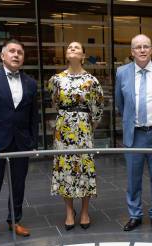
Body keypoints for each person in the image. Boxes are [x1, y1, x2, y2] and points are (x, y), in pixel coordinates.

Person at [0, 39, 39, 245]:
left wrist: (33, 142)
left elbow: (33, 115)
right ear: (2, 56)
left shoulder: (30, 82)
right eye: (11, 51)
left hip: (21, 142)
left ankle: (15, 220)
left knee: (18, 184)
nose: (16, 55)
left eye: (20, 52)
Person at [115, 34, 152, 232]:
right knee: (133, 178)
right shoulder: (121, 73)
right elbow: (120, 104)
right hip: (135, 134)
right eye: (138, 47)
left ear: (151, 50)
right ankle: (135, 215)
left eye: (146, 46)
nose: (142, 50)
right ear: (132, 52)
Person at [48, 42, 104, 230]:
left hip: (84, 128)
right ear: (66, 54)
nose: (72, 49)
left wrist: (87, 125)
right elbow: (55, 102)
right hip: (63, 128)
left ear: (83, 55)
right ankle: (69, 211)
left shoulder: (91, 80)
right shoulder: (56, 79)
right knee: (65, 169)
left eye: (77, 48)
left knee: (84, 168)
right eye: (69, 47)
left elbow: (98, 108)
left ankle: (85, 211)